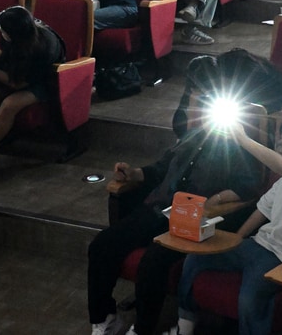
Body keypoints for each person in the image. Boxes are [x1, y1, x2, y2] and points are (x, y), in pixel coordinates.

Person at [87, 120, 261, 335]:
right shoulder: (191, 137)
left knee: (153, 261)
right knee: (101, 244)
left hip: (191, 216)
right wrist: (132, 173)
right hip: (157, 207)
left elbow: (248, 188)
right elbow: (160, 169)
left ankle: (142, 329)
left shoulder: (238, 147)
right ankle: (105, 318)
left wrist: (214, 200)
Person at [176, 116, 282, 335]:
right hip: (257, 245)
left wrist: (243, 139)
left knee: (249, 299)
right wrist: (235, 240)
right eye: (281, 143)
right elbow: (260, 211)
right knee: (194, 257)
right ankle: (185, 326)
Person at [0, 5, 65, 173]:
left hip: (44, 81)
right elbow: (3, 54)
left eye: (3, 31)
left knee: (9, 104)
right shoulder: (13, 35)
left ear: (14, 32)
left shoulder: (43, 45)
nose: (1, 33)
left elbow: (19, 84)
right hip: (15, 71)